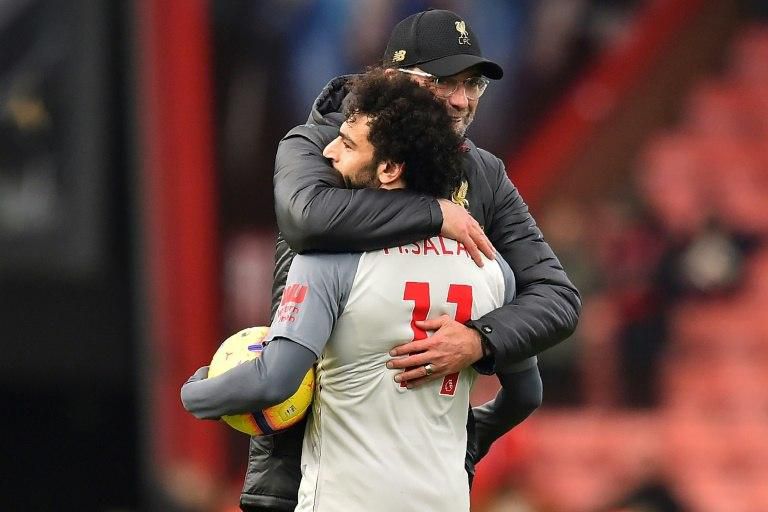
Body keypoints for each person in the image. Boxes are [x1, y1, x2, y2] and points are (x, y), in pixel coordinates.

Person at [238, 8, 579, 511]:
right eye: (444, 81)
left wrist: (479, 342)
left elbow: (557, 298)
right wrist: (435, 212)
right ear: (394, 80)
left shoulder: (483, 176)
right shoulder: (318, 142)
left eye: (474, 84)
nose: (462, 100)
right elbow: (306, 217)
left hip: (422, 477)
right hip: (308, 464)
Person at [182, 69, 542, 512]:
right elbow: (526, 395)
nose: (329, 151)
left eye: (348, 144)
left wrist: (196, 393)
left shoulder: (327, 261)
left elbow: (273, 381)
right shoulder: (491, 268)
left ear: (389, 169)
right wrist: (464, 442)